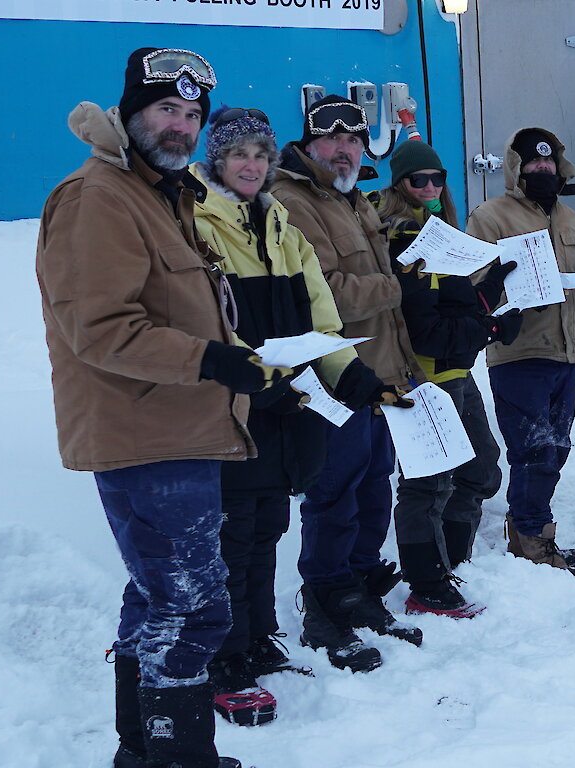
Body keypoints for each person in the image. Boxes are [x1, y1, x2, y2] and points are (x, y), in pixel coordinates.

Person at [39, 47, 277, 768]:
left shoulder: (158, 193)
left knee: (157, 599)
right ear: (131, 114)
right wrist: (207, 359)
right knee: (194, 608)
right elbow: (100, 329)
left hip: (180, 428)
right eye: (165, 110)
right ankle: (179, 759)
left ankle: (143, 751)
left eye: (191, 114)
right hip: (146, 433)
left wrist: (232, 359)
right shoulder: (98, 196)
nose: (180, 126)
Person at [188, 105, 386, 725]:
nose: (250, 164)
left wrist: (343, 368)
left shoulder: (278, 221)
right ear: (216, 158)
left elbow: (321, 313)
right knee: (231, 534)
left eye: (259, 153)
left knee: (269, 524)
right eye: (238, 153)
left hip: (284, 403)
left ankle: (258, 638)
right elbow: (202, 317)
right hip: (233, 402)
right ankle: (223, 657)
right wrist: (253, 375)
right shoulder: (194, 219)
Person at [272, 95, 423, 670]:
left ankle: (358, 589)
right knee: (334, 493)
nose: (344, 150)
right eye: (332, 141)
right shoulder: (294, 201)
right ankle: (324, 603)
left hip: (382, 371)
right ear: (309, 145)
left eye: (355, 140)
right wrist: (398, 284)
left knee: (373, 485)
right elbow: (324, 293)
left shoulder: (353, 197)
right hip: (335, 375)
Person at [371, 139, 517, 615]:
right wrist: (492, 327)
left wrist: (492, 289)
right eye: (419, 180)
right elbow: (426, 330)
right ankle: (428, 585)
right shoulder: (403, 238)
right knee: (428, 483)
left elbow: (453, 308)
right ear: (400, 185)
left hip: (457, 370)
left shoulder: (441, 232)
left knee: (478, 470)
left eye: (437, 178)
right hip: (421, 377)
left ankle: (454, 563)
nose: (430, 187)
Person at [467, 128, 575, 575]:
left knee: (558, 447)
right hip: (520, 352)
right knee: (532, 450)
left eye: (549, 162)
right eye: (533, 163)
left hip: (566, 352)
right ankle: (531, 536)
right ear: (516, 168)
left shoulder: (573, 221)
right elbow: (474, 279)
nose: (542, 168)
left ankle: (527, 523)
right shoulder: (490, 217)